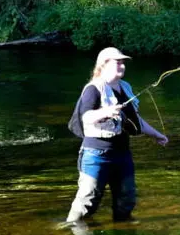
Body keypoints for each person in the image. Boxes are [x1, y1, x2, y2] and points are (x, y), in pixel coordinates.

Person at [63, 47, 168, 225]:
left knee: (126, 199)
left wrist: (157, 135)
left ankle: (123, 230)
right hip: (96, 154)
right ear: (103, 65)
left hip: (123, 154)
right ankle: (71, 229)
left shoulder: (125, 87)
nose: (122, 65)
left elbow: (136, 121)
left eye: (123, 62)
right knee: (87, 201)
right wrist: (106, 111)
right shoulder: (93, 89)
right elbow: (85, 116)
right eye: (117, 62)